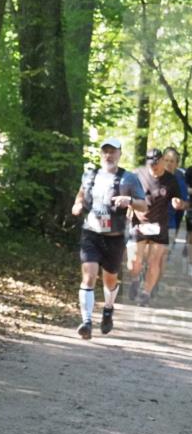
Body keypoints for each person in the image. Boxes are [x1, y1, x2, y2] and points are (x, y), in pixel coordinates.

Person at [71, 137, 147, 338]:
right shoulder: (89, 175)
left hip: (114, 237)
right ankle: (86, 322)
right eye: (105, 151)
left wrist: (129, 200)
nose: (109, 155)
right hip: (91, 233)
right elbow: (80, 195)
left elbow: (144, 204)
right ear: (100, 154)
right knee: (88, 277)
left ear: (120, 154)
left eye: (113, 151)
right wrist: (77, 205)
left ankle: (108, 309)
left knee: (110, 279)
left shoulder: (128, 178)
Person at [128, 148, 186, 306]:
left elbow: (182, 201)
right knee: (134, 262)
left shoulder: (172, 180)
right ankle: (134, 280)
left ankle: (146, 293)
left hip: (161, 225)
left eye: (157, 163)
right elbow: (126, 193)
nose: (154, 167)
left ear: (161, 161)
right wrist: (129, 206)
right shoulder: (137, 174)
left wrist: (179, 203)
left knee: (155, 260)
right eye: (151, 164)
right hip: (139, 224)